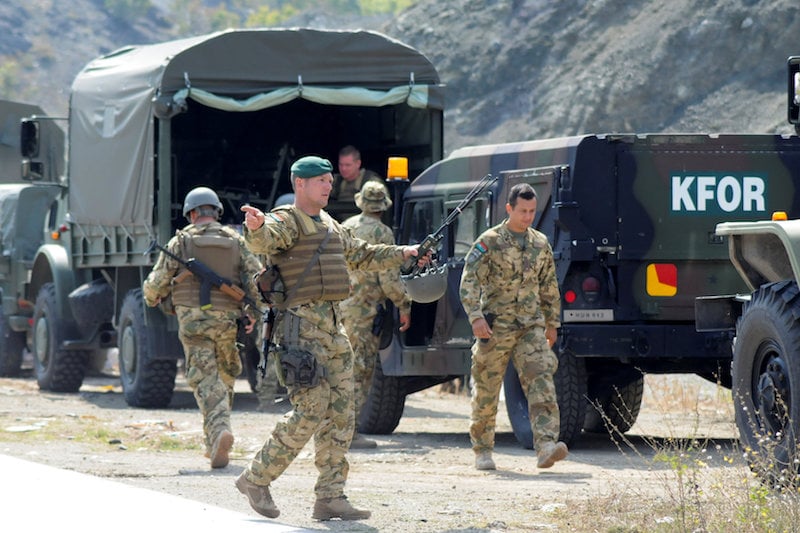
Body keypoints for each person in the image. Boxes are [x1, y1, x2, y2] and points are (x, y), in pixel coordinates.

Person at [235, 155, 427, 521]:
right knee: (311, 410)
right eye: (321, 180)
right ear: (300, 184)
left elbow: (361, 253)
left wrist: (403, 253)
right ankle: (255, 478)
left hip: (335, 331)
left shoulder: (330, 224)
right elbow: (264, 238)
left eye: (329, 180)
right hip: (301, 333)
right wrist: (256, 226)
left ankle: (330, 496)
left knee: (341, 414)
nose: (328, 185)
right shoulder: (287, 220)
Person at [142, 186, 263, 469]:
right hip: (228, 321)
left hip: (194, 322)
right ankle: (214, 442)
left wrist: (151, 297)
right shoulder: (236, 241)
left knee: (205, 379)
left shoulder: (180, 241)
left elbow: (155, 284)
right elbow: (257, 280)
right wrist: (253, 313)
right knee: (225, 377)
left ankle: (219, 431)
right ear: (216, 212)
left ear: (192, 213)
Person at [459, 182, 567, 471]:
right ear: (509, 209)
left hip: (530, 326)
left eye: (532, 211)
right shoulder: (490, 241)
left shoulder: (540, 243)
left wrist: (552, 324)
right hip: (496, 327)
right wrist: (475, 317)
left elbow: (549, 286)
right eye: (522, 211)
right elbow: (469, 281)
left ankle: (546, 445)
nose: (528, 217)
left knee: (542, 379)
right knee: (487, 388)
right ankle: (483, 449)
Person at [340, 181, 412, 449]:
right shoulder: (383, 233)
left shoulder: (345, 226)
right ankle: (348, 433)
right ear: (383, 206)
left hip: (340, 309)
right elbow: (389, 279)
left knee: (340, 368)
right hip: (366, 313)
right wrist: (404, 305)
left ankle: (333, 429)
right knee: (360, 370)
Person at [328, 145, 383, 221]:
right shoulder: (336, 181)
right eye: (341, 164)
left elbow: (381, 210)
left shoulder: (371, 182)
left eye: (348, 165)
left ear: (358, 164)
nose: (343, 168)